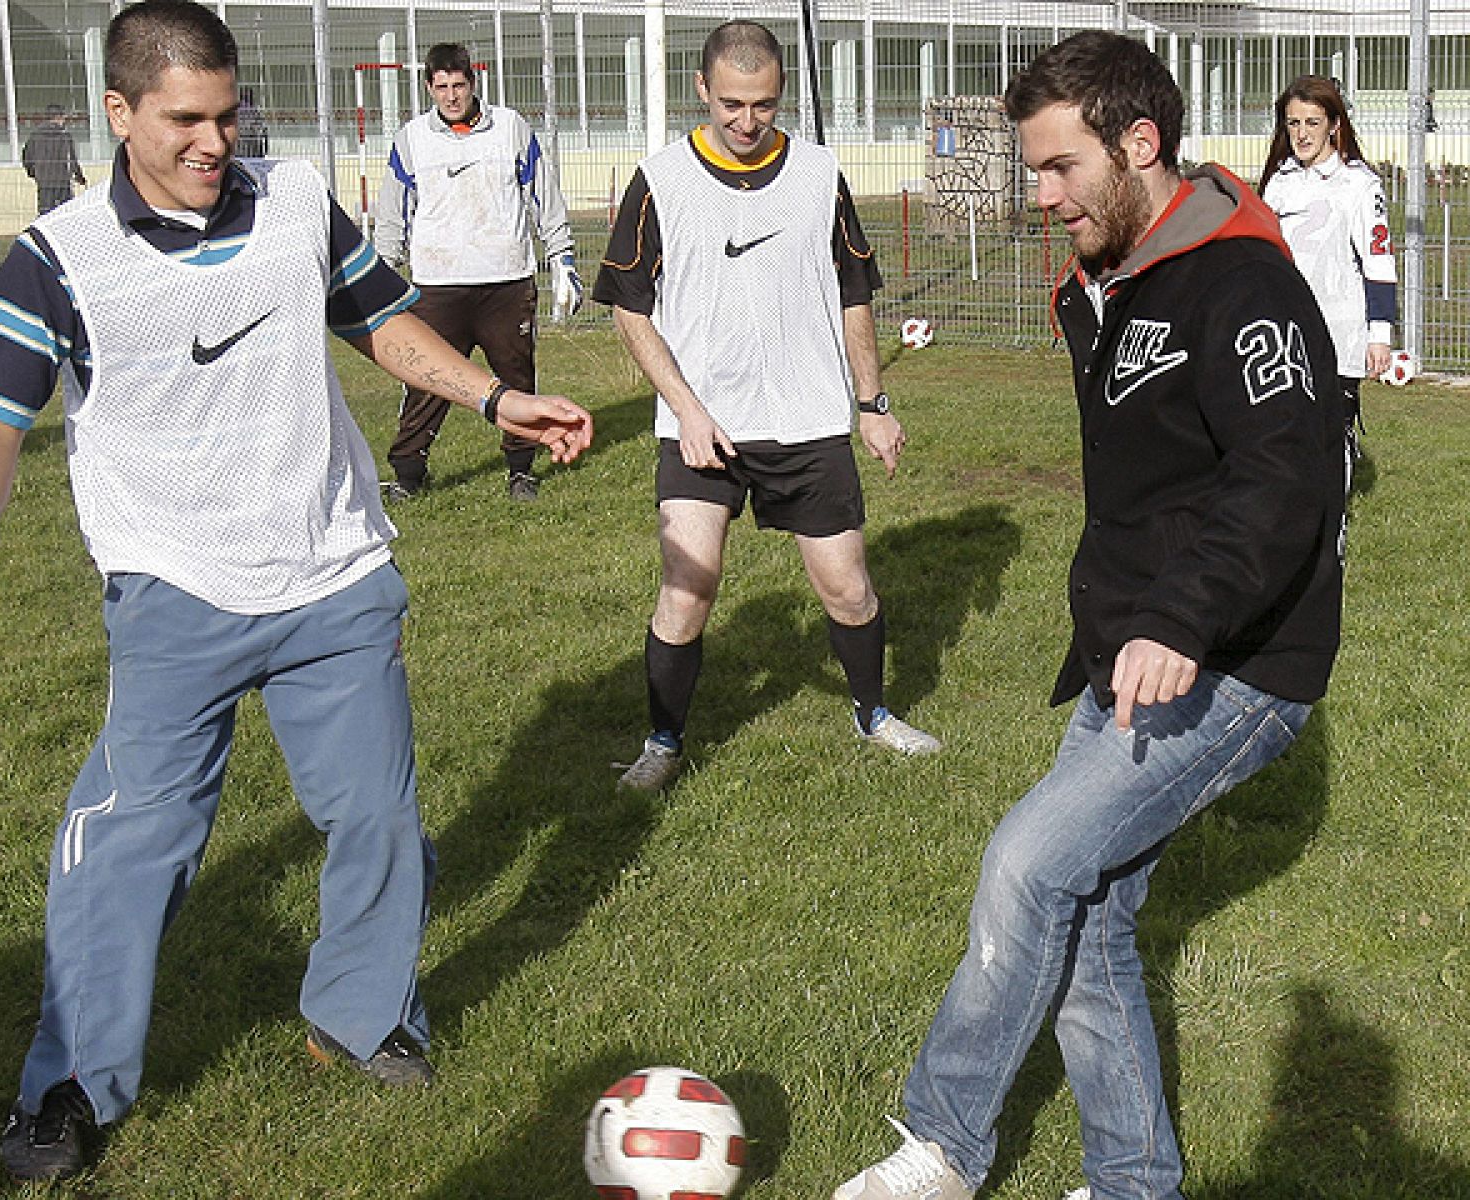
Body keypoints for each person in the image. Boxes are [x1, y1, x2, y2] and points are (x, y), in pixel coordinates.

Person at [0, 0, 591, 1183]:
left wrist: (495, 399)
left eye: (227, 115)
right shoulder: (62, 252)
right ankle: (69, 1085)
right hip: (175, 589)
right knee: (136, 849)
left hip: (334, 571)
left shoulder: (291, 201)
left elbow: (381, 322)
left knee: (378, 821)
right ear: (120, 112)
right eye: (185, 118)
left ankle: (363, 1012)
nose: (212, 141)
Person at [835, 31, 1345, 1200]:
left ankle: (945, 1144)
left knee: (1026, 866)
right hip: (1139, 649)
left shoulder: (1242, 282)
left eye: (1060, 167)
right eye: (1032, 168)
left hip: (1244, 659)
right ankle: (1133, 1182)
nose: (1039, 193)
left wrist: (1174, 617)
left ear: (1140, 144)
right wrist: (1126, 625)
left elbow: (1285, 478)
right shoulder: (1100, 286)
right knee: (1092, 912)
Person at [594, 20, 940, 796]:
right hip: (701, 426)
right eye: (731, 106)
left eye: (764, 105)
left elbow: (855, 295)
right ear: (701, 92)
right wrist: (684, 407)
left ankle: (874, 714)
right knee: (688, 589)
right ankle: (662, 742)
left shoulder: (820, 174)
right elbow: (627, 306)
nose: (748, 123)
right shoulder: (660, 179)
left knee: (848, 587)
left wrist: (872, 403)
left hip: (808, 419)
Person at [372, 42, 586, 503]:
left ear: (474, 83)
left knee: (516, 378)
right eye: (442, 87)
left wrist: (562, 257)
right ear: (429, 87)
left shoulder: (509, 128)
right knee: (426, 380)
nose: (451, 96)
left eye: (459, 85)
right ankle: (408, 474)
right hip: (437, 286)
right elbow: (393, 215)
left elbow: (543, 196)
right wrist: (381, 273)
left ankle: (520, 471)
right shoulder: (412, 139)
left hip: (506, 282)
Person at [1259, 74, 1398, 482]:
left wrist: (1380, 335)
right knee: (1281, 431)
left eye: (1312, 122)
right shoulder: (1278, 184)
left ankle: (1332, 514)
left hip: (1339, 329)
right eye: (1293, 123)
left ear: (1334, 125)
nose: (1302, 134)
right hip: (1284, 327)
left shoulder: (1358, 185)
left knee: (1329, 430)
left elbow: (1378, 261)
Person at [21, 103, 86, 214]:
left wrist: (33, 173)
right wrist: (80, 176)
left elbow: (26, 157)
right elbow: (72, 159)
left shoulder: (35, 136)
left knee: (45, 214)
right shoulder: (65, 135)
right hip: (63, 181)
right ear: (59, 117)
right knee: (66, 213)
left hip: (44, 181)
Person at [236, 85, 269, 156]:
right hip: (251, 145)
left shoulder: (235, 110)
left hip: (238, 145)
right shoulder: (254, 110)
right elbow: (261, 128)